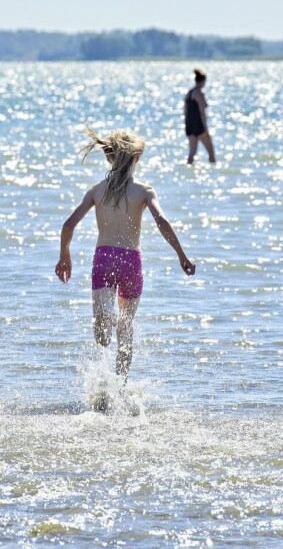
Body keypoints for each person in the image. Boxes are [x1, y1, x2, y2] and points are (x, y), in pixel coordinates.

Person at [55, 129, 196, 380]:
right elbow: (161, 221)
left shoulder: (97, 191)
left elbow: (68, 225)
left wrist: (64, 255)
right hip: (132, 261)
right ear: (137, 158)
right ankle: (120, 386)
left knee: (102, 335)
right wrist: (181, 255)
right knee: (126, 328)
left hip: (104, 259)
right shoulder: (144, 191)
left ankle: (104, 319)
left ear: (109, 158)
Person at [184, 68, 216, 164]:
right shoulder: (199, 94)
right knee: (211, 152)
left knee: (192, 153)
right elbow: (202, 112)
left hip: (190, 125)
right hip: (199, 126)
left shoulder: (189, 93)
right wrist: (205, 128)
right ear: (202, 81)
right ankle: (213, 170)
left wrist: (187, 124)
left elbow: (185, 111)